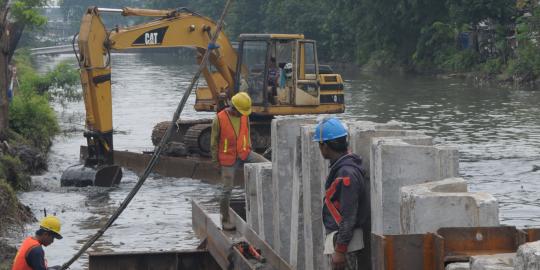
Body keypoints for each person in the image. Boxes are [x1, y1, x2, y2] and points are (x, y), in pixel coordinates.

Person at [313, 117, 370, 270]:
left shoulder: (347, 173)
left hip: (344, 243)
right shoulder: (346, 166)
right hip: (341, 239)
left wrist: (339, 250)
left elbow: (349, 216)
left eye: (319, 145)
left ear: (324, 146)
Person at [210, 92, 269, 230]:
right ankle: (225, 220)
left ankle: (260, 199)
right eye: (240, 111)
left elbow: (246, 132)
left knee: (267, 165)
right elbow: (213, 142)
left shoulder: (244, 116)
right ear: (233, 107)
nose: (242, 114)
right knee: (227, 189)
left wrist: (249, 147)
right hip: (227, 157)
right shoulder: (219, 119)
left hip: (244, 152)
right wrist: (216, 162)